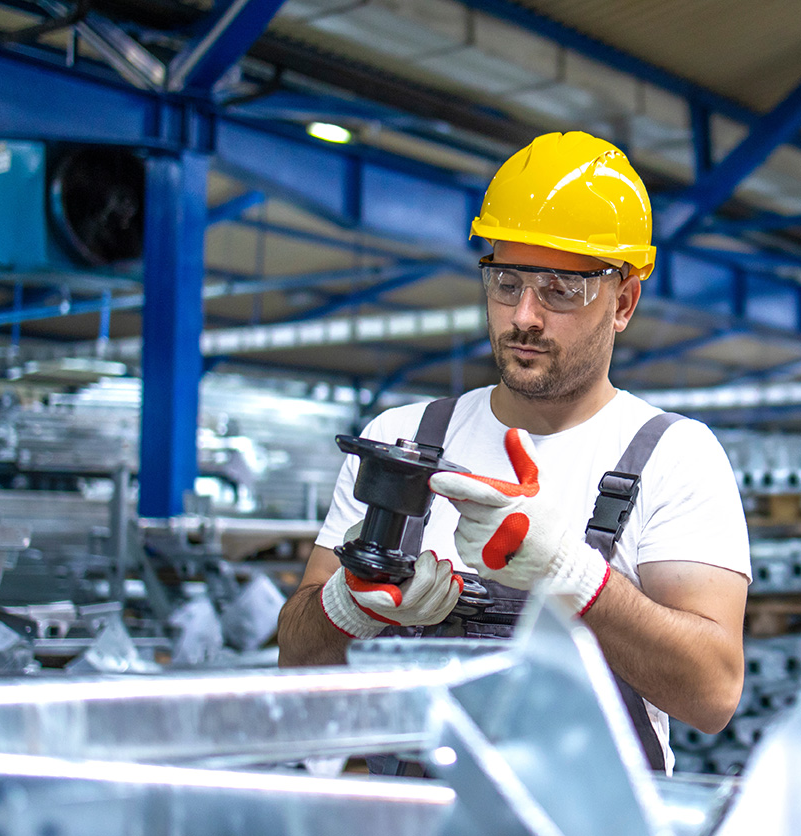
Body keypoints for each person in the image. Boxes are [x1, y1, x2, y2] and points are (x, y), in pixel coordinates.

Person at [277, 131, 751, 774]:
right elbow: (297, 663)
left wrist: (575, 577)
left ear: (626, 301)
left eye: (561, 289)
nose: (524, 315)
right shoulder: (403, 440)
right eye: (506, 281)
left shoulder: (674, 457)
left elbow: (712, 695)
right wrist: (350, 603)